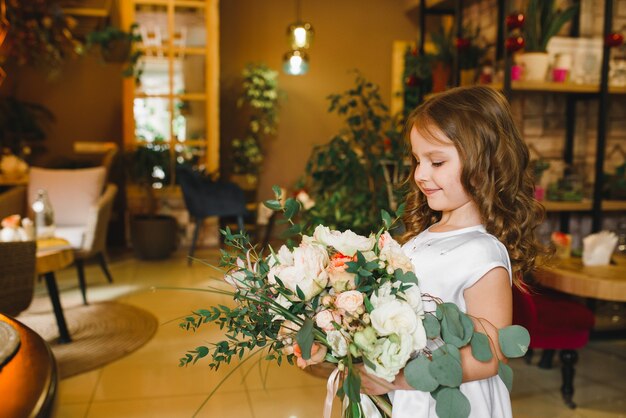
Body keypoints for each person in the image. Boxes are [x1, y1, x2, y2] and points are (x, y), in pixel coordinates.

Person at [359, 85, 548, 417]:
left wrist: (401, 380)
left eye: (436, 161)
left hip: (456, 402)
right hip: (416, 396)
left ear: (482, 162)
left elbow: (490, 353)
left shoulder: (482, 253)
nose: (420, 174)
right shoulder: (424, 236)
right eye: (418, 160)